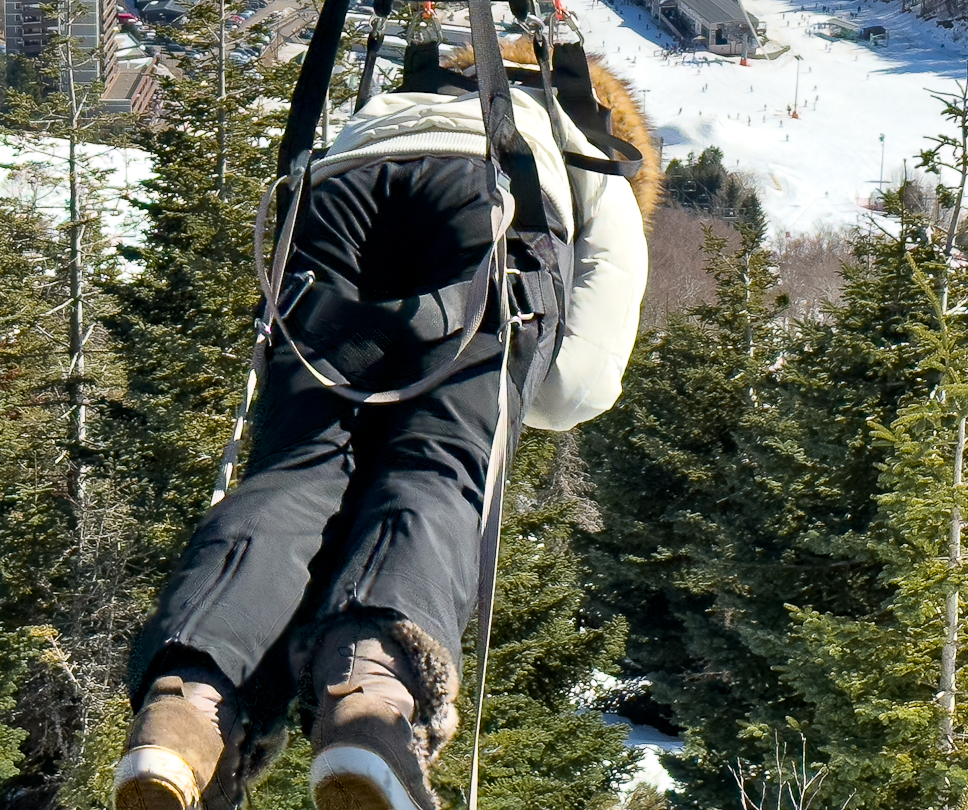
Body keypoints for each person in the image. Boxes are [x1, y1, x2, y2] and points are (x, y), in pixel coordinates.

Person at [114, 39, 658, 810]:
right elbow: (576, 386)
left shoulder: (391, 109)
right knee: (436, 466)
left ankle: (187, 705)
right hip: (491, 206)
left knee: (299, 467)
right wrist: (502, 390)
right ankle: (370, 692)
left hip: (337, 200)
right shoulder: (590, 147)